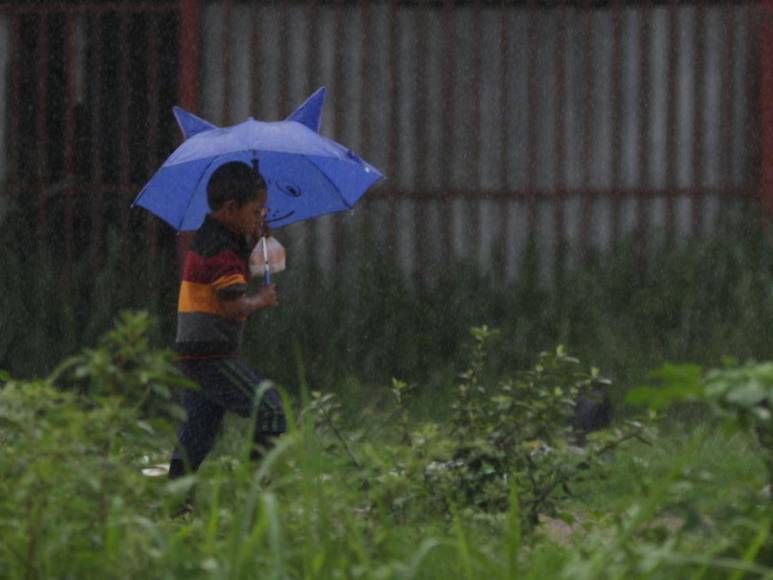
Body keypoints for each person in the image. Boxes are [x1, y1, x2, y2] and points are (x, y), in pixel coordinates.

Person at [168, 160, 286, 495]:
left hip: (194, 352)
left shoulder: (216, 236)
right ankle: (254, 493)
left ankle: (176, 500)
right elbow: (233, 305)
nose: (261, 216)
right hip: (212, 355)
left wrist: (258, 238)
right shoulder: (220, 249)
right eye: (255, 210)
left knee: (199, 430)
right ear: (230, 207)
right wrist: (261, 301)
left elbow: (241, 259)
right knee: (270, 407)